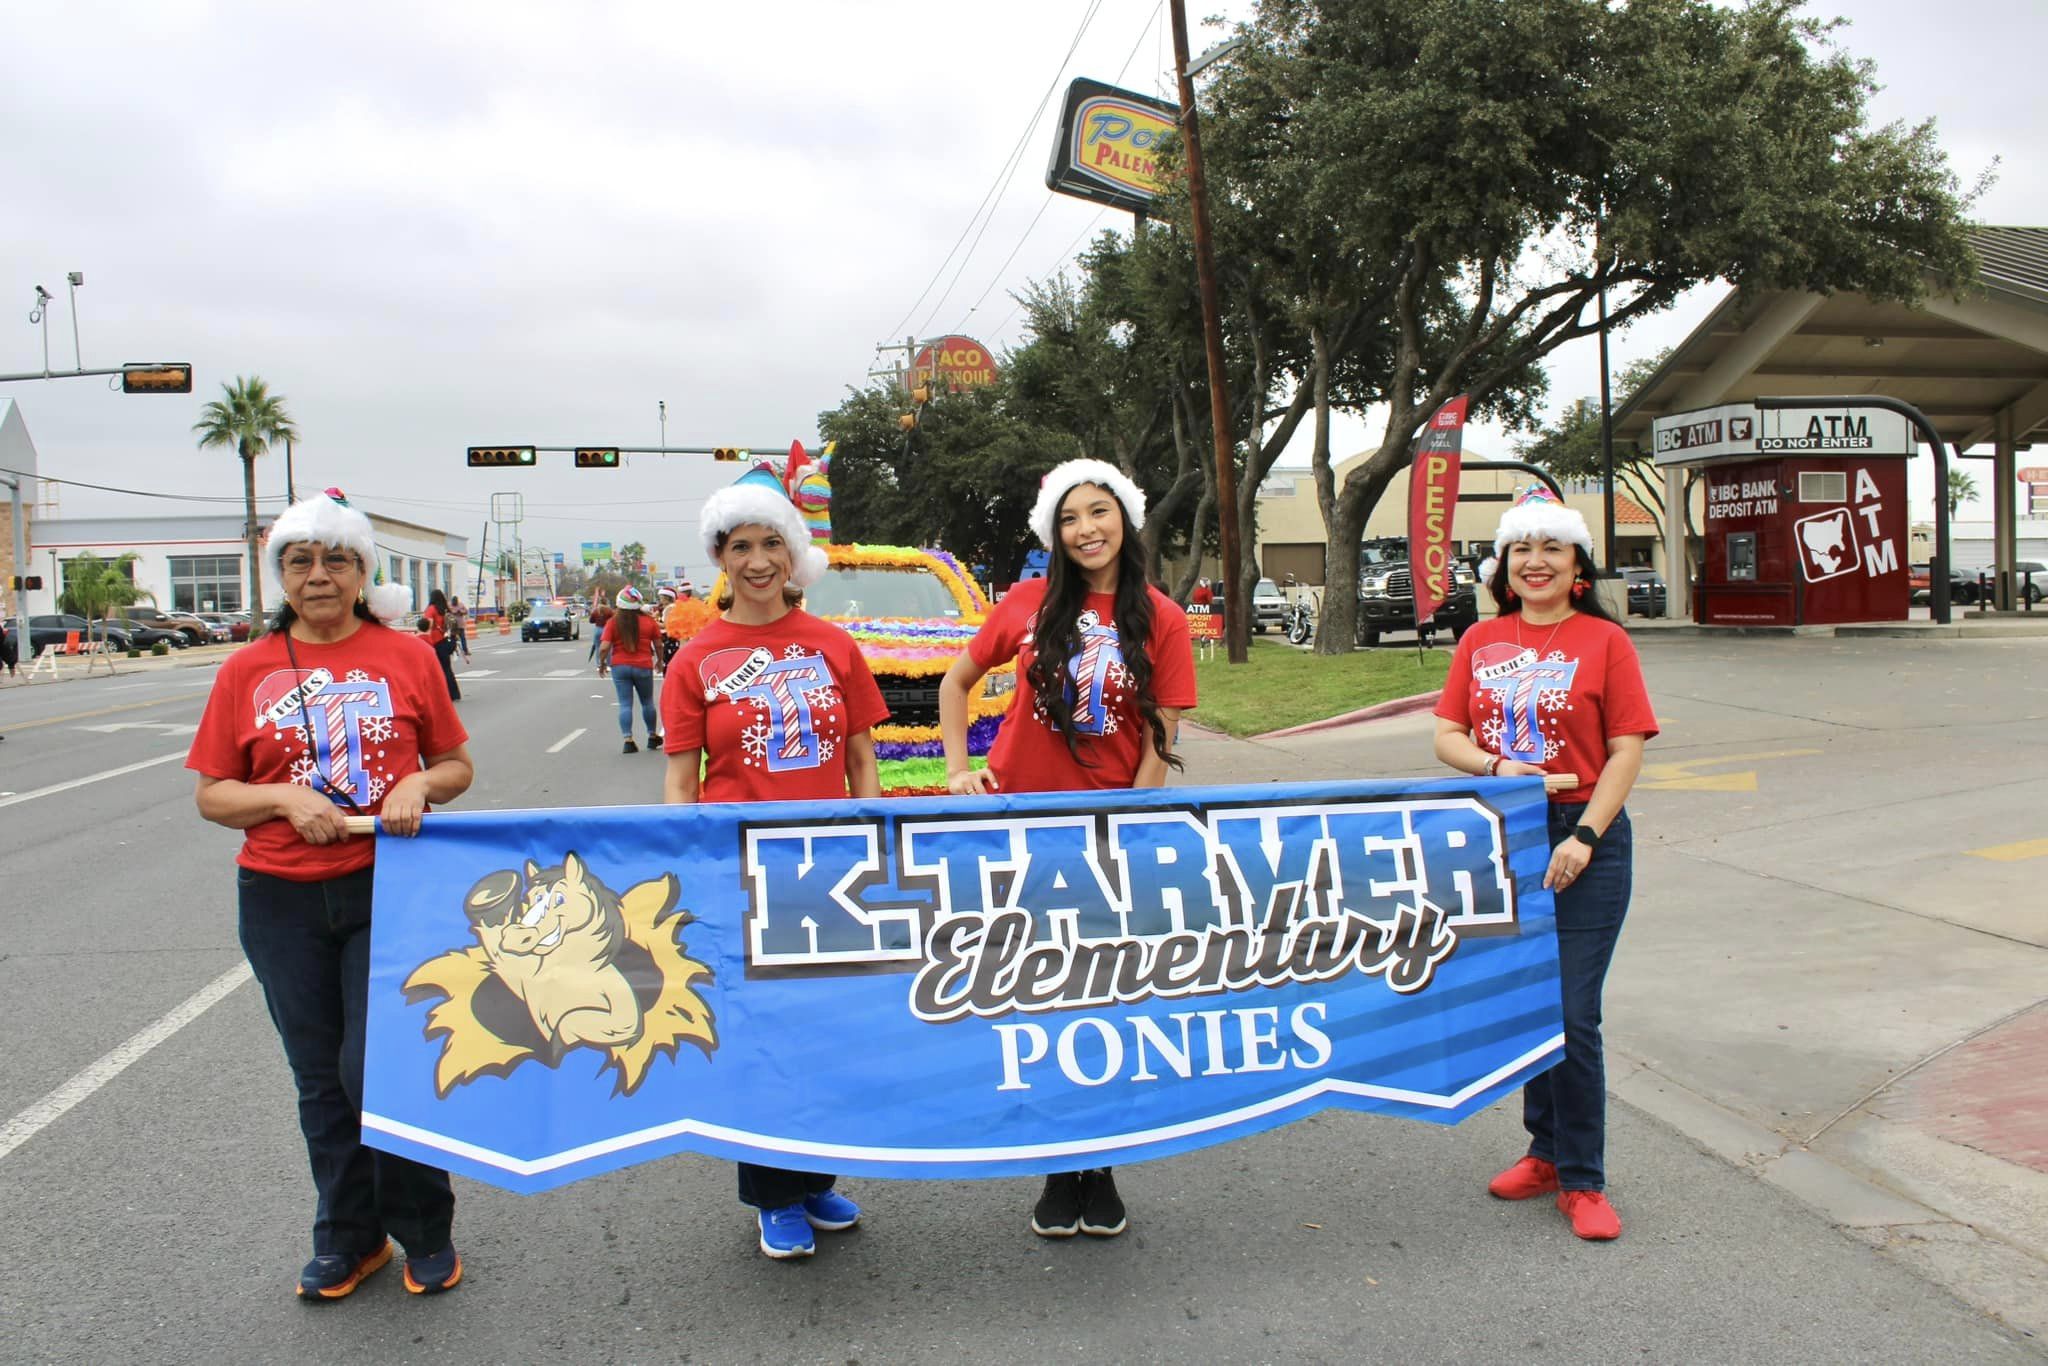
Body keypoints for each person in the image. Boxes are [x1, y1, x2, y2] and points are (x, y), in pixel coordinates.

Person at [186, 489, 475, 1299]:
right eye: (300, 560)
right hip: (279, 897)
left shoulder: (408, 656)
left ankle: (424, 1230)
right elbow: (214, 793)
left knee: (375, 1065)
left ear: (361, 573)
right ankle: (349, 1238)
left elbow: (457, 766)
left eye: (336, 560)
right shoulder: (245, 668)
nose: (318, 575)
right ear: (280, 574)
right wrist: (282, 800)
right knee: (319, 1075)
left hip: (391, 887)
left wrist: (419, 782)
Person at [936, 457, 1197, 1241]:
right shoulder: (1024, 602)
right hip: (1021, 826)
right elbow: (957, 684)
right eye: (1071, 518)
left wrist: (1134, 819)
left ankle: (1103, 1165)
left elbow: (1162, 731)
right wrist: (956, 769)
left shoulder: (1161, 615)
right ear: (1055, 532)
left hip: (1112, 833)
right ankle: (1059, 1163)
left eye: (1099, 513)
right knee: (1044, 994)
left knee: (1111, 997)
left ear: (1125, 519)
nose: (1087, 530)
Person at [659, 475, 888, 1261]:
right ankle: (771, 1194)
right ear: (721, 559)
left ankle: (814, 1177)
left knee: (826, 1033)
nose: (758, 561)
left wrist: (873, 843)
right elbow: (682, 779)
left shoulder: (834, 645)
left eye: (770, 544)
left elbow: (861, 756)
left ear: (794, 554)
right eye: (740, 547)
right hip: (738, 873)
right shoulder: (695, 659)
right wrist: (686, 868)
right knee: (761, 1038)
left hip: (828, 873)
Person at [1431, 486, 1656, 1242]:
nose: (1535, 562)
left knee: (1570, 1013)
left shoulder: (1604, 641)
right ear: (1503, 563)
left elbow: (1626, 748)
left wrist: (1585, 836)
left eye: (1551, 548)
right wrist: (1497, 767)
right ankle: (1545, 1153)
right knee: (1528, 1006)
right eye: (1521, 548)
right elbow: (1447, 735)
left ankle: (1585, 1179)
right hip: (1504, 834)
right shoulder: (1480, 639)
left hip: (1584, 834)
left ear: (1576, 564)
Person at [598, 586, 661, 755]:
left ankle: (628, 740)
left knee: (625, 704)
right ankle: (652, 736)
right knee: (647, 702)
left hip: (620, 667)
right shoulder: (649, 622)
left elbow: (604, 647)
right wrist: (660, 661)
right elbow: (658, 644)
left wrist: (602, 663)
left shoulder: (613, 622)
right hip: (643, 666)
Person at [422, 588, 460, 702]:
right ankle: (454, 693)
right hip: (445, 640)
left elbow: (428, 626)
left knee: (435, 671)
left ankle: (439, 695)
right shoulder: (445, 609)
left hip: (434, 642)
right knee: (447, 669)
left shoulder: (431, 609)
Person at [588, 597, 614, 674]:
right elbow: (613, 619)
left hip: (597, 629)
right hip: (606, 629)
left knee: (597, 647)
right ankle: (609, 665)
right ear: (606, 602)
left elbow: (591, 620)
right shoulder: (609, 610)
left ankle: (599, 665)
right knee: (608, 647)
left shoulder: (596, 610)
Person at [449, 596, 471, 663]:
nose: (454, 603)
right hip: (453, 625)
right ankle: (454, 651)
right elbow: (448, 612)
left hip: (460, 625)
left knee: (462, 638)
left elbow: (466, 611)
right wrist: (454, 612)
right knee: (453, 639)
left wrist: (461, 612)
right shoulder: (450, 605)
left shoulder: (461, 604)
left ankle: (465, 650)